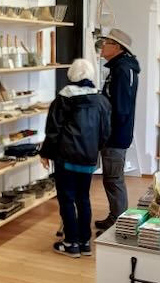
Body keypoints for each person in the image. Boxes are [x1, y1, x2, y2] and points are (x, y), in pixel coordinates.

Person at [40, 58, 111, 258]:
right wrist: (94, 149)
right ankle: (85, 242)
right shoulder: (101, 100)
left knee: (67, 199)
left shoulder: (64, 97)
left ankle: (71, 243)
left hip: (66, 157)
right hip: (88, 158)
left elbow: (53, 130)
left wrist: (45, 153)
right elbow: (105, 132)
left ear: (71, 75)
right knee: (83, 198)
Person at [96, 28, 140, 235]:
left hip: (115, 134)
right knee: (112, 178)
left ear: (117, 47)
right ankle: (116, 216)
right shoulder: (121, 68)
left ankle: (119, 221)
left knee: (113, 179)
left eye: (106, 43)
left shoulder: (122, 70)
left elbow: (121, 107)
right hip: (116, 131)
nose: (102, 46)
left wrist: (107, 129)